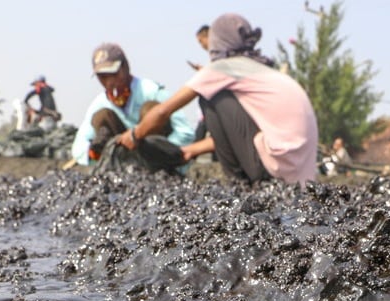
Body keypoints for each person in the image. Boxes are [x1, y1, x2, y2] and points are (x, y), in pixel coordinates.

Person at [118, 13, 318, 187]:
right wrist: (191, 150)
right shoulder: (260, 71)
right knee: (220, 97)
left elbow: (163, 111)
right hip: (299, 175)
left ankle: (239, 184)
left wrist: (134, 135)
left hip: (275, 170)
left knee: (211, 98)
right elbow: (241, 134)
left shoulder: (224, 68)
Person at [71, 42, 196, 170]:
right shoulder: (100, 103)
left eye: (114, 74)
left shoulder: (151, 91)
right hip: (123, 163)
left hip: (157, 160)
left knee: (151, 109)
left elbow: (185, 133)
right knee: (102, 116)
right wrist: (94, 153)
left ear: (125, 68)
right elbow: (79, 147)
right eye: (103, 77)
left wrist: (167, 151)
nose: (109, 82)